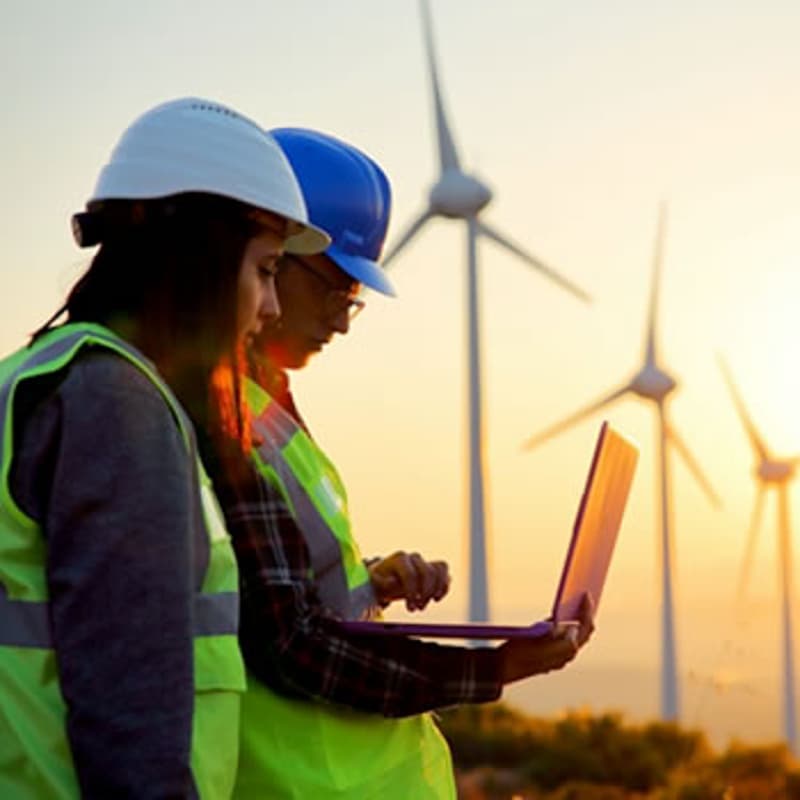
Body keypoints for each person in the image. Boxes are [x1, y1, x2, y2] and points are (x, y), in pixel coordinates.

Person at [213, 129, 594, 798]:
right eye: (335, 287)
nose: (344, 318)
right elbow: (287, 644)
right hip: (295, 782)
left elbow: (276, 581)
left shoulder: (269, 408)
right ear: (265, 254)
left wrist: (367, 583)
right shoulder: (215, 417)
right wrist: (496, 669)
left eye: (354, 298)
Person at [0, 98, 329, 799]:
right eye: (267, 269)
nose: (272, 307)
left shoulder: (41, 376)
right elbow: (129, 715)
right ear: (202, 256)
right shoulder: (115, 406)